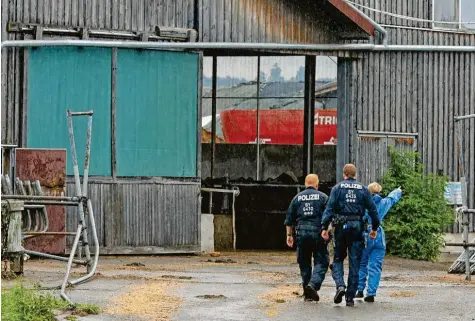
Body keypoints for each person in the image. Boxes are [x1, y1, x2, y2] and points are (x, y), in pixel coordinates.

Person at [321, 164, 380, 307]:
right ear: (355, 175)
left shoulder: (337, 188)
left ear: (344, 174)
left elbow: (329, 208)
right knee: (355, 262)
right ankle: (349, 297)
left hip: (341, 227)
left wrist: (324, 226)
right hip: (357, 227)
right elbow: (373, 210)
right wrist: (375, 228)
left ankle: (340, 285)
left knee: (338, 258)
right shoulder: (363, 189)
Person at [285, 174, 329, 302]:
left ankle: (308, 293)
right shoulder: (323, 197)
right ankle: (313, 284)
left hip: (301, 234)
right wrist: (327, 231)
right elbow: (330, 216)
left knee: (304, 263)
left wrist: (289, 235)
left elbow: (289, 220)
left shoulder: (297, 198)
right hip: (318, 233)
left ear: (305, 184)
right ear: (317, 184)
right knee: (321, 261)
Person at [357, 183, 402, 302]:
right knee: (375, 265)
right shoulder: (384, 203)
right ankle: (371, 293)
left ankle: (359, 289)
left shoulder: (363, 204)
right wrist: (398, 190)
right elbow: (392, 198)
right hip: (378, 234)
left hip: (365, 233)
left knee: (362, 263)